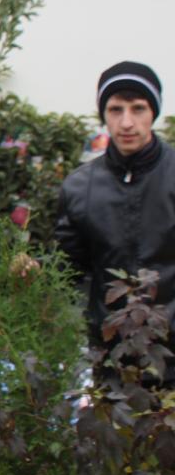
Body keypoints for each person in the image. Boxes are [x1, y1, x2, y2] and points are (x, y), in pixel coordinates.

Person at [55, 61, 174, 385]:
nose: (127, 122)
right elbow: (68, 267)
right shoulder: (80, 187)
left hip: (170, 346)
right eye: (115, 109)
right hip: (111, 348)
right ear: (103, 114)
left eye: (138, 109)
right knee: (114, 434)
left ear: (154, 112)